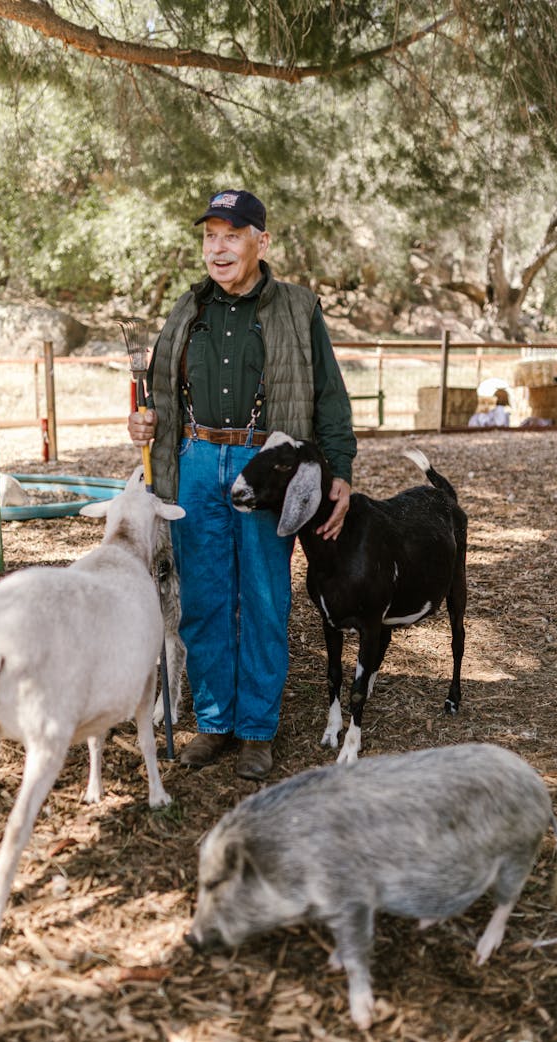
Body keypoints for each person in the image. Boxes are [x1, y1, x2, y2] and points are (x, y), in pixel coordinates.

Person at [128, 188, 356, 780]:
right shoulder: (187, 310)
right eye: (210, 235)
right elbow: (156, 399)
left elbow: (331, 401)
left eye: (232, 235)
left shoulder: (298, 308)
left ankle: (256, 730)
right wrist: (142, 421)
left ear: (261, 240)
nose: (218, 247)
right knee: (203, 600)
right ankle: (213, 723)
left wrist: (341, 474)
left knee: (261, 598)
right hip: (197, 459)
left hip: (266, 468)